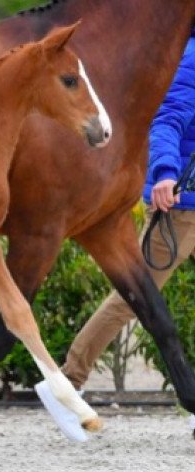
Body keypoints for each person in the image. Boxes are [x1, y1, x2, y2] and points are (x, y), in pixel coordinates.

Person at [35, 30, 195, 442]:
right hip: (182, 206)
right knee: (133, 298)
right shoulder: (190, 57)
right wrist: (164, 173)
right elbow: (169, 117)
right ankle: (67, 383)